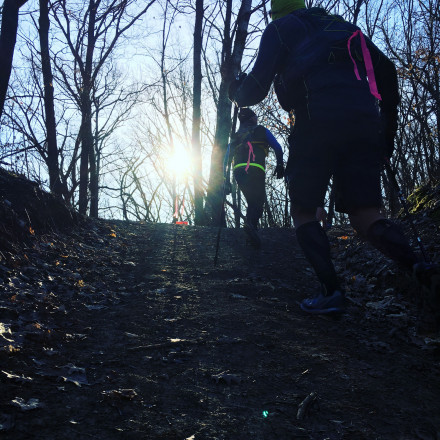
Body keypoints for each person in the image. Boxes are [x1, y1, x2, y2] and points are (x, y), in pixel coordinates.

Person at [228, 0, 439, 329]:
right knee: (366, 215)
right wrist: (387, 133)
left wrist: (234, 88)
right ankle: (422, 270)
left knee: (303, 210)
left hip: (316, 121)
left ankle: (331, 293)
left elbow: (254, 90)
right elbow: (385, 73)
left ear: (276, 12)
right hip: (364, 121)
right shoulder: (345, 27)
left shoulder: (280, 29)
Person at [225, 107, 284, 247]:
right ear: (251, 118)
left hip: (239, 171)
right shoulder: (261, 130)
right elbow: (277, 147)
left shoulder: (236, 136)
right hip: (256, 168)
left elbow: (226, 158)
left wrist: (225, 179)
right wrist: (280, 164)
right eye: (255, 117)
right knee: (258, 201)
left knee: (252, 200)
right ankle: (251, 226)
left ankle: (251, 233)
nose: (257, 119)